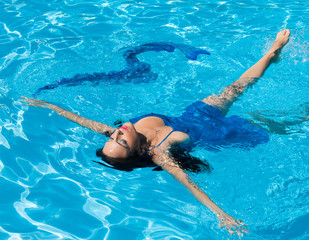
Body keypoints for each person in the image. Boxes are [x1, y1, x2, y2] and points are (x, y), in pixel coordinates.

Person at [21, 29, 291, 238]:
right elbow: (188, 183)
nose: (117, 134)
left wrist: (47, 105)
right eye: (121, 140)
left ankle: (270, 55)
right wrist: (222, 215)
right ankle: (278, 102)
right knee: (268, 126)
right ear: (139, 150)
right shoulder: (160, 153)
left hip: (191, 116)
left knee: (234, 88)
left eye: (113, 137)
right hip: (210, 132)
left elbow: (79, 119)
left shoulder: (115, 132)